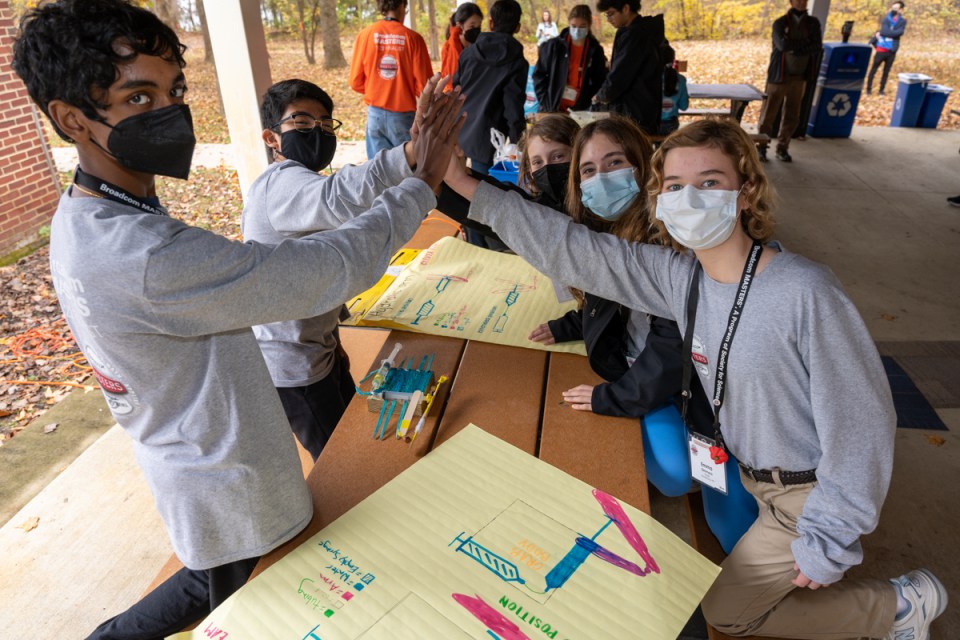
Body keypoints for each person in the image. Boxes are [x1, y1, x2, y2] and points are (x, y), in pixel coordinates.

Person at [11, 1, 463, 636]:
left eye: (174, 91)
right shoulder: (144, 255)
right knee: (229, 588)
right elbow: (323, 270)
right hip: (227, 482)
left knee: (233, 581)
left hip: (206, 457)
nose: (170, 113)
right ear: (71, 119)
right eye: (138, 98)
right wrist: (420, 184)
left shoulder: (91, 213)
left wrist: (406, 160)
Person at [443, 117, 947, 640]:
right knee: (726, 552)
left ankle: (899, 605)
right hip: (747, 469)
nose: (690, 199)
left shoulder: (805, 291)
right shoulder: (680, 277)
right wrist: (462, 182)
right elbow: (574, 249)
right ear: (658, 201)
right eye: (675, 187)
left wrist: (831, 533)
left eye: (709, 182)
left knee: (725, 613)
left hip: (807, 494)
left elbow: (862, 423)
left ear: (746, 191)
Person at [526, 116, 756, 551]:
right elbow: (611, 303)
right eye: (589, 170)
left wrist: (612, 398)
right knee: (675, 476)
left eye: (615, 163)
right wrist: (569, 325)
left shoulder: (674, 232)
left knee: (727, 517)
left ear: (642, 166)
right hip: (645, 374)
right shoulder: (598, 230)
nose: (602, 178)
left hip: (689, 383)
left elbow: (672, 343)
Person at [242, 78, 450, 461]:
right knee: (338, 463)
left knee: (348, 436)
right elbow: (340, 195)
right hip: (294, 366)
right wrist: (411, 155)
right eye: (301, 122)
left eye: (325, 124)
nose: (317, 131)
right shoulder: (281, 184)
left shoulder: (298, 184)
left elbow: (351, 207)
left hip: (317, 346)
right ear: (272, 137)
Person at [350, 0, 434, 159]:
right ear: (402, 5)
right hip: (403, 116)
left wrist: (377, 88)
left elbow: (355, 82)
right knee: (406, 166)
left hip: (374, 115)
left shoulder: (365, 35)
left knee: (377, 167)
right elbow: (425, 87)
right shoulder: (413, 38)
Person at [453, 0, 528, 175]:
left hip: (460, 128)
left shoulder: (468, 53)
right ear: (517, 27)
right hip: (487, 137)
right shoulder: (517, 63)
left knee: (454, 182)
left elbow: (456, 88)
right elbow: (513, 105)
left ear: (491, 23)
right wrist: (517, 141)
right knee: (480, 186)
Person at [757, 0, 822, 163]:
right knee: (769, 114)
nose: (801, 2)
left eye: (804, 0)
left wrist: (794, 47)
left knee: (792, 115)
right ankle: (761, 147)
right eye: (797, 0)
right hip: (779, 76)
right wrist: (805, 42)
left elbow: (817, 46)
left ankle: (783, 148)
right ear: (791, 2)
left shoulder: (813, 23)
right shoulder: (780, 22)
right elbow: (782, 45)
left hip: (800, 77)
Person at [591, 0, 663, 136]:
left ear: (625, 8)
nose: (608, 19)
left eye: (611, 14)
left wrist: (600, 97)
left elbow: (619, 76)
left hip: (635, 113)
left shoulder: (635, 35)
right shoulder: (641, 31)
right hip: (641, 110)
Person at [533, 4, 607, 113]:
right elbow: (538, 74)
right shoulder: (554, 46)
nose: (577, 30)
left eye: (582, 26)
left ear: (589, 25)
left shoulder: (595, 50)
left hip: (580, 110)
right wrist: (545, 101)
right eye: (574, 26)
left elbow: (599, 80)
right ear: (569, 24)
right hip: (552, 107)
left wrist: (589, 103)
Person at [867, 1, 908, 96]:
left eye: (896, 8)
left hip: (891, 51)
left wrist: (886, 33)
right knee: (873, 70)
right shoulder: (886, 19)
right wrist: (890, 33)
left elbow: (900, 32)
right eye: (893, 8)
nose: (894, 10)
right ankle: (868, 90)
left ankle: (881, 90)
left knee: (886, 72)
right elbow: (885, 31)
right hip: (881, 50)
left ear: (901, 10)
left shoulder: (903, 21)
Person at [440, 3, 483, 82]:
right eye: (472, 26)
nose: (476, 30)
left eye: (479, 26)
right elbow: (449, 78)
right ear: (459, 25)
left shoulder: (480, 45)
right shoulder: (448, 47)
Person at [659, 44, 688, 136]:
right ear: (673, 60)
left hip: (652, 124)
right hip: (671, 125)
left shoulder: (649, 79)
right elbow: (684, 107)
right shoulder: (681, 80)